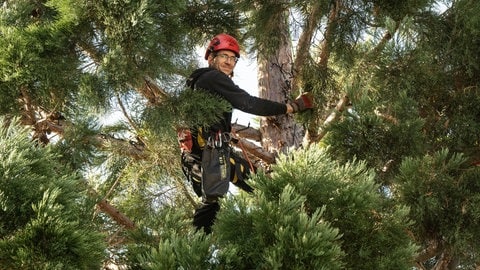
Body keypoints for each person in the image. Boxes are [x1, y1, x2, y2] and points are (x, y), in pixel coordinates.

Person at [182, 33, 313, 234]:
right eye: (223, 56)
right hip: (211, 156)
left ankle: (292, 222)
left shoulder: (197, 84)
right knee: (212, 205)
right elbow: (248, 103)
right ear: (211, 58)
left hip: (204, 158)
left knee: (260, 183)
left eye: (232, 58)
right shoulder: (212, 77)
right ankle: (194, 254)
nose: (228, 61)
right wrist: (291, 107)